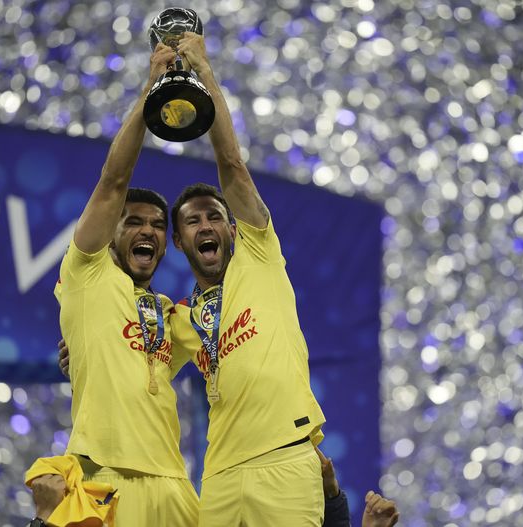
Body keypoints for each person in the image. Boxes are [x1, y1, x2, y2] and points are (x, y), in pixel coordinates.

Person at [166, 32, 327, 526]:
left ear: (234, 228)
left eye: (214, 217)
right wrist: (79, 352)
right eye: (192, 222)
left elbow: (232, 167)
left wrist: (203, 72)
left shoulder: (259, 257)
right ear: (179, 242)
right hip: (217, 478)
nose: (206, 226)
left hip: (285, 458)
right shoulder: (182, 320)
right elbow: (132, 362)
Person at [49, 41, 198, 526]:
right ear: (111, 231)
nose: (148, 231)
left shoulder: (169, 315)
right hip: (104, 478)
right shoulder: (86, 273)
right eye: (133, 222)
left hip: (175, 485)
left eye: (158, 225)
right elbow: (114, 181)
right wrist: (152, 88)